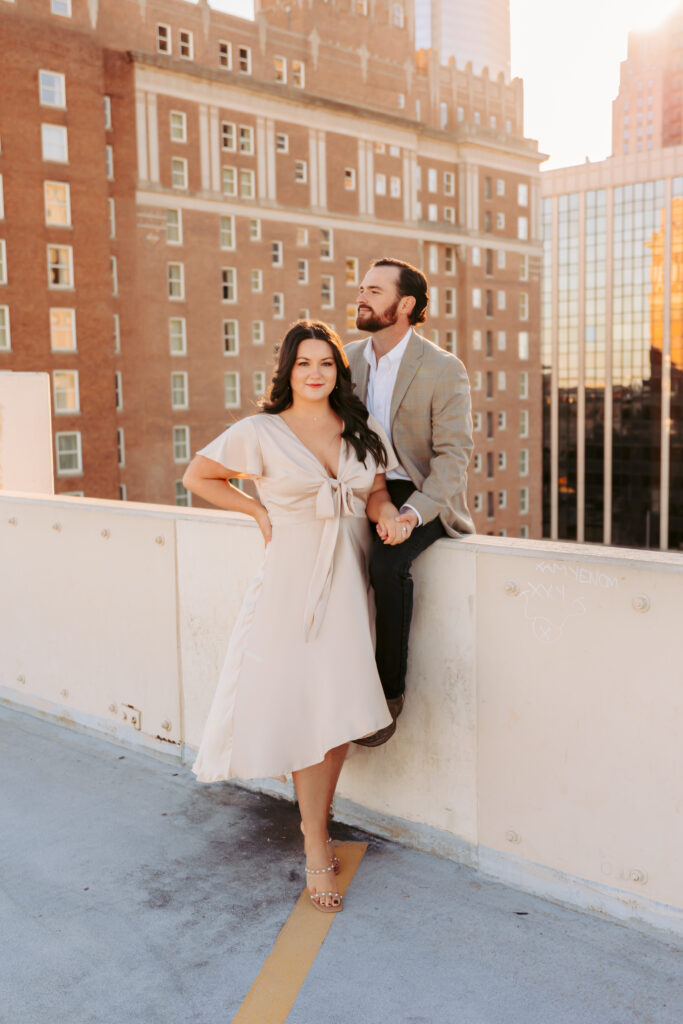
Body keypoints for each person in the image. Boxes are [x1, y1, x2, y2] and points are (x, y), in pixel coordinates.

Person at [183, 320, 410, 914]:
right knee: (309, 709)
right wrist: (256, 511)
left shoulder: (361, 429)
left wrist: (391, 515)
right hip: (289, 585)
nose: (315, 373)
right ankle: (315, 837)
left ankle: (317, 818)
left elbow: (376, 493)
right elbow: (198, 476)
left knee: (336, 714)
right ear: (287, 370)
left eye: (326, 364)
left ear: (339, 372)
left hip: (348, 582)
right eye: (304, 363)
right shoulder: (260, 431)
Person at [346, 258, 475, 747]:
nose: (362, 297)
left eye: (374, 291)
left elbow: (453, 457)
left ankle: (387, 694)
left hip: (420, 491)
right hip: (363, 484)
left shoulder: (442, 368)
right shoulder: (348, 359)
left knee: (387, 562)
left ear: (405, 305)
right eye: (361, 288)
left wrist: (411, 514)